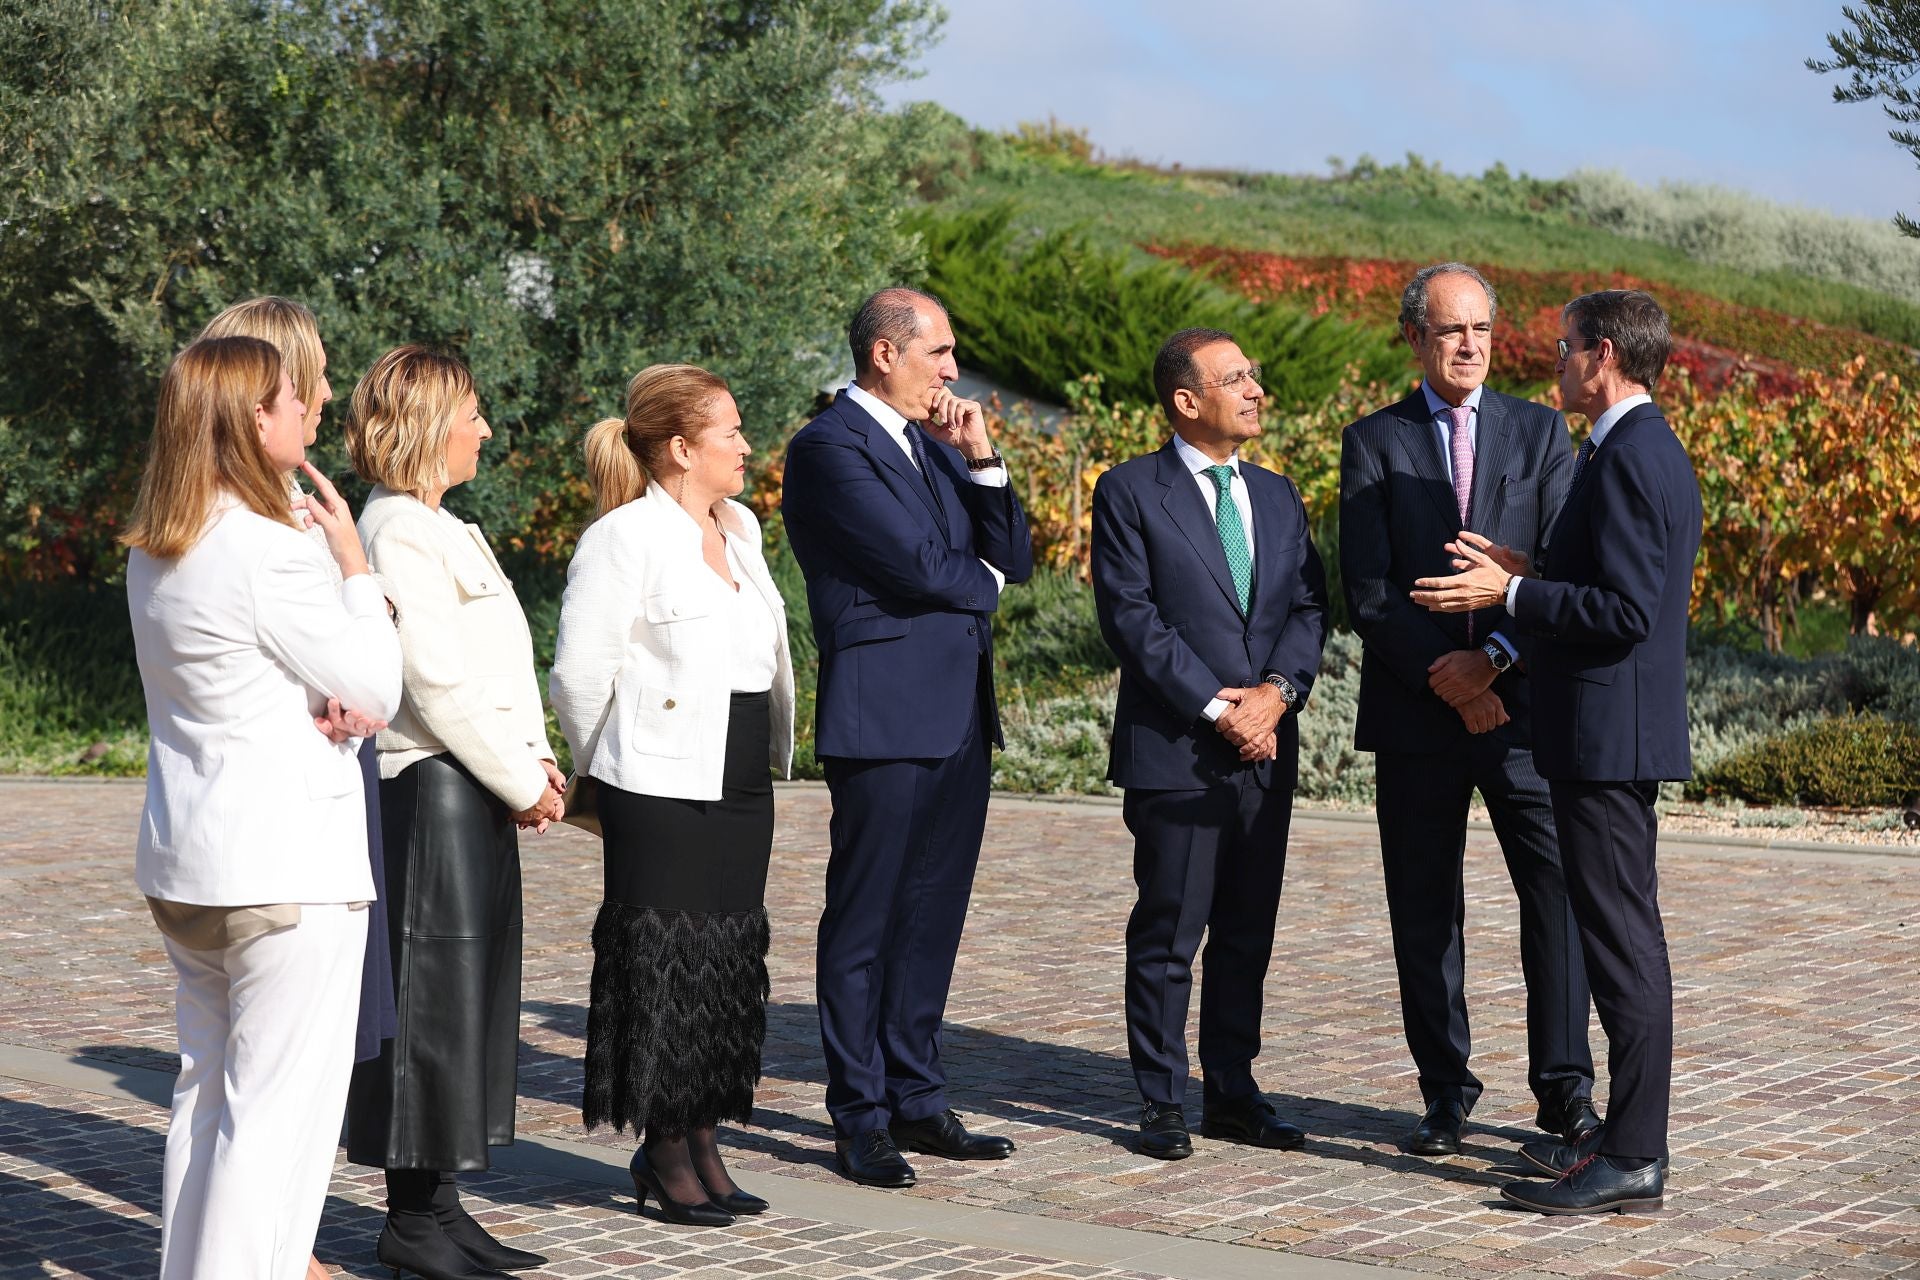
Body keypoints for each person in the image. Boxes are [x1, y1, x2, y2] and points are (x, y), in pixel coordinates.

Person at [1412, 289, 1700, 1214]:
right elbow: (1612, 583)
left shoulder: (1630, 455)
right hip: (1603, 735)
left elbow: (1625, 612)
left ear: (1604, 354)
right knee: (1620, 939)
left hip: (1606, 741)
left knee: (1621, 948)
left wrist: (1513, 597)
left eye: (1568, 347)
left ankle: (1635, 1155)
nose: (1556, 361)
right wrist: (1531, 571)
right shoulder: (1628, 448)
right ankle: (1622, 1141)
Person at [124, 335, 401, 1279]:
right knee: (273, 1124)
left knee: (206, 1104)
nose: (310, 410)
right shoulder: (263, 547)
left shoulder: (161, 543)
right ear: (254, 416)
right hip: (287, 866)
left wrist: (315, 688)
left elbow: (237, 676)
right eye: (295, 396)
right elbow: (375, 681)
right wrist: (355, 567)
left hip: (193, 855)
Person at [1338, 263, 1597, 1157]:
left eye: (1482, 328)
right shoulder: (1372, 440)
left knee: (1555, 899)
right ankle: (1444, 1090)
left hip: (1521, 708)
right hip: (1419, 717)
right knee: (1424, 905)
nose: (1471, 345)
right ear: (1415, 337)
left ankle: (1565, 1092)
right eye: (1451, 330)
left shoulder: (1539, 433)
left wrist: (1491, 664)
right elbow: (1367, 592)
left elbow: (1561, 574)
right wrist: (1444, 677)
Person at [780, 288, 1034, 1188]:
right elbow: (927, 568)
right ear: (886, 354)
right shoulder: (827, 450)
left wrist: (986, 459)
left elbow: (1015, 557)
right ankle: (860, 1113)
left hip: (960, 712)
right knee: (866, 920)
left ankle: (918, 1097)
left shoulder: (936, 446)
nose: (954, 371)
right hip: (884, 715)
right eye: (942, 353)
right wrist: (986, 579)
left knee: (931, 916)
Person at [549, 364, 795, 1228]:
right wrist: (611, 767)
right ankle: (660, 1145)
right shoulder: (623, 537)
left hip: (736, 771)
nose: (745, 446)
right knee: (662, 960)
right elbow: (579, 675)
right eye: (730, 432)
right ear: (682, 448)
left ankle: (700, 1137)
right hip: (655, 778)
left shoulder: (742, 527)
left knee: (725, 957)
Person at [342, 346, 563, 1278]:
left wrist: (536, 759)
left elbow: (499, 672)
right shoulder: (394, 528)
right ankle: (412, 1221)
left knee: (465, 1001)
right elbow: (431, 681)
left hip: (473, 785)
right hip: (433, 787)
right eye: (469, 412)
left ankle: (443, 1204)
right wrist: (523, 780)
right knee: (428, 1002)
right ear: (429, 425)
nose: (484, 429)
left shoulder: (446, 527)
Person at [1089, 327, 1328, 1160]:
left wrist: (1276, 696)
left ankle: (1233, 1090)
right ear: (1187, 401)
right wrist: (1215, 707)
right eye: (1237, 377)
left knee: (1247, 930)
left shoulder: (1278, 494)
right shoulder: (1128, 492)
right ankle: (1161, 1099)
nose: (1257, 387)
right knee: (1169, 930)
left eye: (1254, 373)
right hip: (1178, 751)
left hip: (1266, 748)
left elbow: (1306, 610)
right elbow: (1132, 619)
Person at [198, 296, 400, 1071]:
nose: (324, 396)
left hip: (305, 783)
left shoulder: (228, 516)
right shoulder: (266, 530)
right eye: (310, 379)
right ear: (264, 403)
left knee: (227, 1074)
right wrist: (358, 573)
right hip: (289, 822)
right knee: (277, 1078)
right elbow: (369, 683)